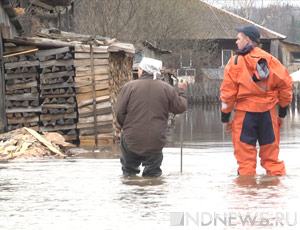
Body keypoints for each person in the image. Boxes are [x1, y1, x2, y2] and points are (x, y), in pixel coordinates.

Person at [220, 25, 293, 176]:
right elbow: (286, 84)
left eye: (238, 38)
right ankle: (274, 196)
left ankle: (247, 196)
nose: (236, 42)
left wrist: (225, 117)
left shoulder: (234, 63)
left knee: (246, 162)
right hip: (268, 114)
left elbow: (227, 94)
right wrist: (282, 113)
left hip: (244, 116)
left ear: (247, 40)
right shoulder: (271, 60)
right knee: (272, 160)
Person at [115, 57, 187, 177]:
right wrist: (182, 91)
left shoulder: (129, 87)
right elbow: (180, 107)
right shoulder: (166, 88)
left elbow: (119, 113)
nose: (138, 71)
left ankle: (130, 193)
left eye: (139, 69)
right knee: (153, 175)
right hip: (155, 139)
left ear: (142, 71)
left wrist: (126, 128)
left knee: (128, 173)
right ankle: (152, 191)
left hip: (131, 138)